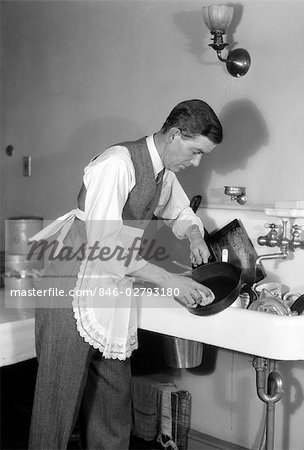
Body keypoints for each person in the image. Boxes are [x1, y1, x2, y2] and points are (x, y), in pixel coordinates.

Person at [28, 99, 223, 449]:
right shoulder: (117, 164)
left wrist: (194, 234)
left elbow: (180, 212)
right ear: (175, 134)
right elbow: (103, 243)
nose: (196, 162)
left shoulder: (163, 172)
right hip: (72, 279)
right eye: (195, 152)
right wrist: (170, 281)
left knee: (113, 405)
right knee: (57, 407)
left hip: (112, 285)